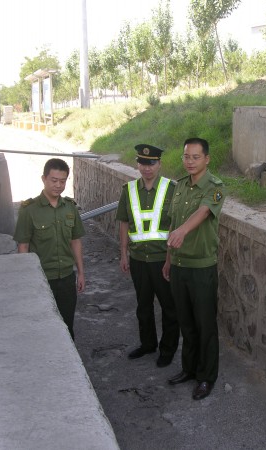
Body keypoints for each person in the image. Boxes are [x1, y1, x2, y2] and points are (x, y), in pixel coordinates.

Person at [163, 137, 225, 401]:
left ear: (207, 159)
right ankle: (189, 369)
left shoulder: (215, 187)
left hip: (201, 268)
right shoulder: (179, 186)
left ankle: (206, 377)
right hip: (179, 265)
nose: (190, 162)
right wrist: (168, 259)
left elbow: (203, 212)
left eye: (195, 157)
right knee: (186, 323)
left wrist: (182, 231)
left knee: (205, 326)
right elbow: (173, 224)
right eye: (186, 157)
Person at [116, 144, 180, 367]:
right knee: (143, 306)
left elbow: (174, 225)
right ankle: (148, 344)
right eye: (143, 163)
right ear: (138, 164)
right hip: (138, 260)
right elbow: (124, 222)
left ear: (159, 164)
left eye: (151, 163)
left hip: (162, 260)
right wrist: (123, 254)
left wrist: (170, 259)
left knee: (169, 308)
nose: (147, 168)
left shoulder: (171, 189)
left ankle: (167, 349)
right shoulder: (129, 189)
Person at [13, 158, 85, 340]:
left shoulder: (70, 207)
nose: (58, 186)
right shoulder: (29, 210)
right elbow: (23, 246)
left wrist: (81, 273)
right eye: (54, 180)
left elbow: (75, 241)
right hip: (42, 279)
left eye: (63, 181)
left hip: (67, 278)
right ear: (44, 179)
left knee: (67, 325)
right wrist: (27, 280)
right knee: (44, 327)